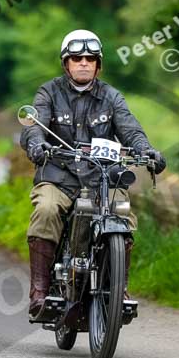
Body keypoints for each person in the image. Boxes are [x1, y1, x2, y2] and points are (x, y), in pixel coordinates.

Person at [20, 29, 166, 317]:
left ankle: (117, 289)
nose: (83, 63)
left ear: (98, 64)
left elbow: (130, 128)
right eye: (77, 58)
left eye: (90, 58)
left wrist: (146, 150)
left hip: (102, 179)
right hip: (59, 176)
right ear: (66, 63)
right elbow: (34, 125)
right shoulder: (49, 92)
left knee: (121, 212)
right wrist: (37, 143)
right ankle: (40, 289)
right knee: (47, 209)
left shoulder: (112, 97)